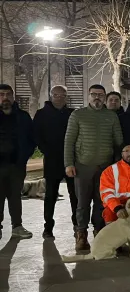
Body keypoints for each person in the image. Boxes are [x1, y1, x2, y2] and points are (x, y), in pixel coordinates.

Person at [65, 84, 123, 251]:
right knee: (82, 203)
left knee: (101, 202)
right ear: (88, 96)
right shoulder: (77, 115)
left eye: (100, 95)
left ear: (104, 97)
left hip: (106, 167)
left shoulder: (111, 116)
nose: (97, 97)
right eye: (94, 94)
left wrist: (118, 165)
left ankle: (99, 232)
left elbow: (118, 141)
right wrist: (68, 163)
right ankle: (81, 234)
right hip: (83, 165)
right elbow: (69, 141)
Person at [34, 85, 78, 238]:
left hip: (71, 160)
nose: (59, 97)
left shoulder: (72, 114)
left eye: (63, 95)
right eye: (56, 94)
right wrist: (47, 151)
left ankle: (77, 225)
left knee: (75, 195)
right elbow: (37, 136)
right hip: (52, 160)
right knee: (50, 195)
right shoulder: (41, 114)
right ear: (50, 95)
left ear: (66, 97)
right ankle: (48, 227)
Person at [0, 84, 35, 239]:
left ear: (13, 97)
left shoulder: (23, 117)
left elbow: (31, 139)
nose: (5, 97)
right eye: (1, 94)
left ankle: (17, 226)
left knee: (15, 197)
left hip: (16, 165)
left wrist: (23, 158)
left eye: (8, 94)